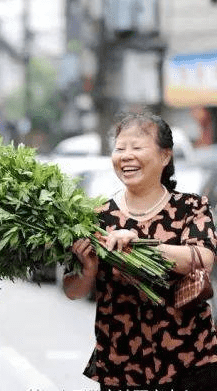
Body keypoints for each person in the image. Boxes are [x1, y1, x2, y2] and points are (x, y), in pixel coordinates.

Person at [63, 112, 217, 391]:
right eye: (120, 148)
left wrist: (138, 244)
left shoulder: (192, 208)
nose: (126, 156)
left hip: (189, 360)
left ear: (165, 156)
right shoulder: (96, 217)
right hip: (121, 362)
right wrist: (88, 270)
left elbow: (202, 259)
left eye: (137, 147)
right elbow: (72, 290)